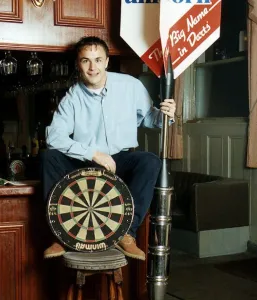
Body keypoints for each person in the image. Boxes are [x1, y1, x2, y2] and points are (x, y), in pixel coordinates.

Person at [42, 36, 176, 261]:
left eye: (97, 60)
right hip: (84, 162)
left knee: (150, 161)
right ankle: (60, 235)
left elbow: (150, 120)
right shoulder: (72, 97)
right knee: (49, 157)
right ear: (78, 65)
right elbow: (54, 137)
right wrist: (93, 154)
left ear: (106, 62)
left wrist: (166, 115)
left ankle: (126, 233)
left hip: (121, 160)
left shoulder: (131, 86)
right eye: (86, 61)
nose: (92, 67)